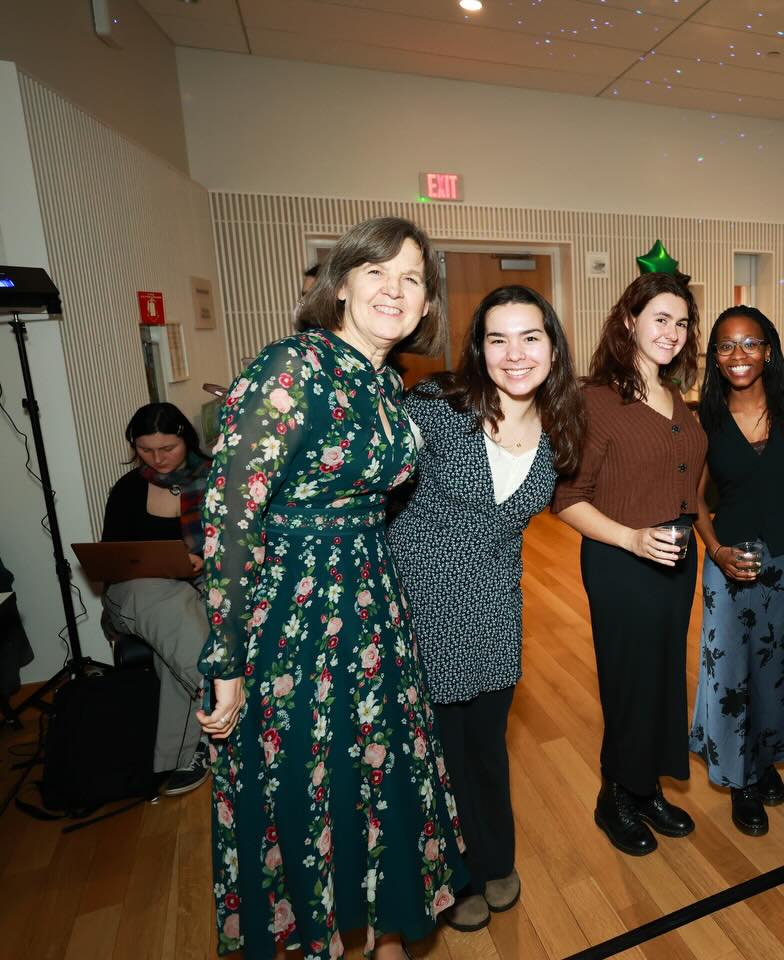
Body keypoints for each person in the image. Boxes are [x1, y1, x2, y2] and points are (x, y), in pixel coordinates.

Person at [197, 217, 467, 960]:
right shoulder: (293, 367)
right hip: (294, 613)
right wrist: (224, 657)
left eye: (413, 278)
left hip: (371, 601)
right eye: (378, 271)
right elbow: (228, 513)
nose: (396, 289)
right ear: (341, 284)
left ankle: (378, 938)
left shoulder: (384, 382)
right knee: (306, 790)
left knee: (374, 780)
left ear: (425, 305)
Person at [389, 285, 584, 930]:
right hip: (421, 611)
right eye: (497, 339)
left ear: (553, 348)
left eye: (530, 337)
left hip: (495, 614)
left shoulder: (560, 433)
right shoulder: (436, 410)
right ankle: (453, 875)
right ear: (479, 349)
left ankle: (495, 857)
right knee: (438, 754)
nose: (514, 353)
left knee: (487, 748)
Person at [553, 271, 706, 857]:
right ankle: (613, 795)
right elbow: (566, 499)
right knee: (627, 682)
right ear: (629, 322)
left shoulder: (675, 396)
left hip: (675, 560)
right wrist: (632, 540)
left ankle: (645, 788)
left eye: (682, 321)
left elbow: (686, 472)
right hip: (622, 562)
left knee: (664, 676)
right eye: (660, 318)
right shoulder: (597, 400)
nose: (672, 332)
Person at [690, 305, 784, 837]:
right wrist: (716, 549)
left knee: (776, 668)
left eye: (750, 343)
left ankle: (768, 758)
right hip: (729, 563)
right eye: (726, 345)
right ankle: (741, 779)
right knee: (731, 672)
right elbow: (693, 499)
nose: (739, 355)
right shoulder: (705, 417)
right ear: (715, 357)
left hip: (782, 559)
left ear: (769, 351)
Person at [100, 402, 212, 796]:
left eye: (167, 448)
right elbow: (114, 556)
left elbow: (242, 542)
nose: (157, 458)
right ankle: (223, 703)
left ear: (186, 439)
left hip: (196, 592)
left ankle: (185, 754)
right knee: (170, 604)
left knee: (181, 621)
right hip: (138, 593)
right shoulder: (129, 489)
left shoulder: (217, 479)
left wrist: (205, 560)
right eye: (146, 450)